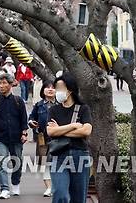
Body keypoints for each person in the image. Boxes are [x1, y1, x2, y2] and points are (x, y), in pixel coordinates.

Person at [47, 73, 93, 203]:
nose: (57, 91)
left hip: (80, 155)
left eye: (60, 88)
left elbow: (86, 131)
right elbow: (50, 131)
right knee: (60, 194)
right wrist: (73, 126)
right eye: (56, 88)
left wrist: (60, 130)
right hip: (58, 156)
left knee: (78, 198)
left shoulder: (83, 109)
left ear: (70, 90)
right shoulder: (53, 110)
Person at [0, 72, 28, 199]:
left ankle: (15, 183)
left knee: (18, 162)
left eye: (4, 83)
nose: (1, 86)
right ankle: (4, 188)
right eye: (0, 83)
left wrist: (24, 133)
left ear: (11, 85)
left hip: (16, 137)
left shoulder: (18, 101)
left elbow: (23, 119)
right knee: (2, 162)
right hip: (0, 137)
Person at [28, 80, 57, 197]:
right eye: (47, 87)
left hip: (58, 138)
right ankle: (49, 187)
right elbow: (31, 118)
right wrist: (31, 123)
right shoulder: (39, 105)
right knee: (45, 163)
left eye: (53, 87)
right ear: (43, 90)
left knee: (58, 162)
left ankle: (57, 186)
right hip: (42, 138)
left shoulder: (61, 105)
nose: (50, 89)